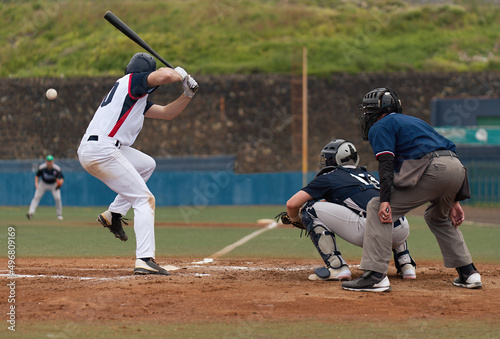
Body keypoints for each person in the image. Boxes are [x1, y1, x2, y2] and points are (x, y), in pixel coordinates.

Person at [342, 87, 481, 293]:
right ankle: (469, 273)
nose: (367, 114)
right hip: (457, 170)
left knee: (375, 207)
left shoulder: (380, 125)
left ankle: (375, 275)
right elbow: (446, 153)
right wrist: (455, 201)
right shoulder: (415, 121)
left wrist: (385, 200)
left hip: (433, 170)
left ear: (379, 111)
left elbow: (386, 163)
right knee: (438, 216)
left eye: (369, 110)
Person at [77, 52, 198, 276]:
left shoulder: (134, 97)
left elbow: (167, 113)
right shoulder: (132, 82)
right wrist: (178, 73)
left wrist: (187, 95)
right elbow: (162, 76)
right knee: (144, 199)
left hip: (99, 148)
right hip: (102, 149)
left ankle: (113, 214)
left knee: (146, 165)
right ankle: (144, 259)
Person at [285, 139, 416, 282]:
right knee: (386, 209)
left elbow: (292, 204)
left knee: (309, 209)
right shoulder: (367, 175)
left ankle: (337, 267)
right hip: (402, 230)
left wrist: (296, 219)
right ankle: (406, 264)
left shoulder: (330, 176)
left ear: (334, 159)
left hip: (372, 234)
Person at [27, 155, 64, 220]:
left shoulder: (56, 168)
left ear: (53, 161)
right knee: (36, 197)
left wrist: (60, 182)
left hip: (53, 184)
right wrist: (36, 183)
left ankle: (59, 214)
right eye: (48, 161)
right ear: (46, 161)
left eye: (50, 161)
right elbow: (37, 175)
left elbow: (61, 178)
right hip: (43, 183)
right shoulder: (42, 167)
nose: (49, 162)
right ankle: (30, 213)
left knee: (58, 198)